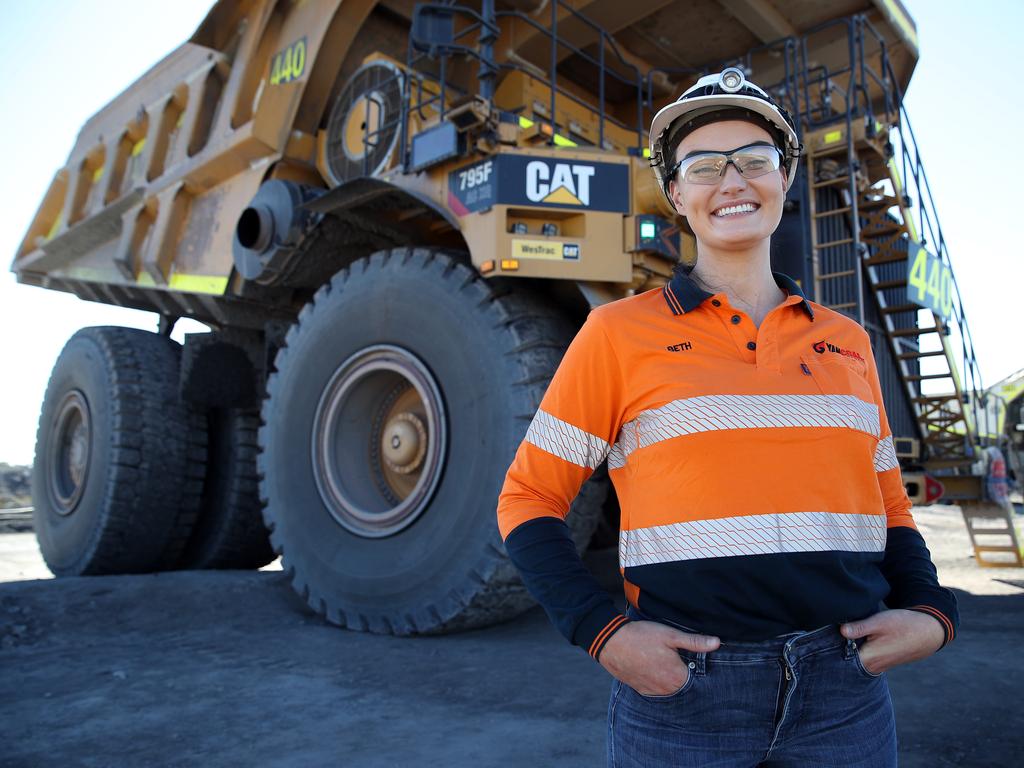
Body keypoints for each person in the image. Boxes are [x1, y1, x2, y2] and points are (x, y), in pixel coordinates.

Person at [495, 68, 958, 767]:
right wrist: (602, 632)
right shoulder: (617, 334)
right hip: (686, 700)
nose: (733, 181)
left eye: (753, 160)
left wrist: (932, 611)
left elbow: (887, 503)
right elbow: (528, 498)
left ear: (784, 178)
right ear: (677, 195)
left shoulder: (848, 342)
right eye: (706, 166)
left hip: (846, 696)